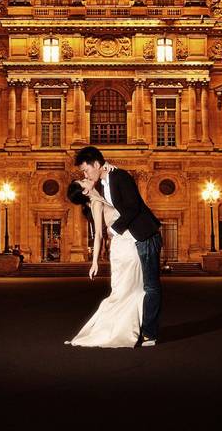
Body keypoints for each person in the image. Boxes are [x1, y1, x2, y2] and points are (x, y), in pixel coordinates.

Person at [65, 146, 162, 348]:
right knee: (135, 288)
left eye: (85, 171)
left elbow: (132, 207)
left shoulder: (114, 178)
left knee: (143, 287)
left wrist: (114, 231)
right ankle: (134, 330)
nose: (85, 175)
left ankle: (143, 332)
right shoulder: (98, 193)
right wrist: (95, 259)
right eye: (83, 176)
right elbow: (99, 234)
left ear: (97, 164)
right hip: (126, 242)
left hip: (139, 236)